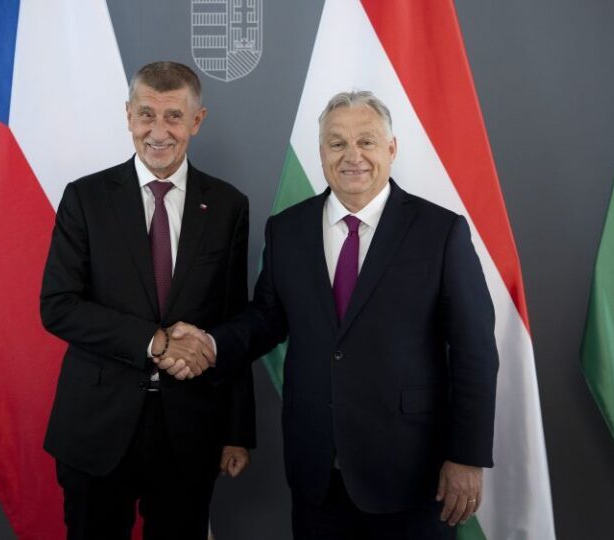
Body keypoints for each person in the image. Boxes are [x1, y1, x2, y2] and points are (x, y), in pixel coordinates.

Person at [161, 90, 498, 539]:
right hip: (316, 471)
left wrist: (467, 456)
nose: (352, 155)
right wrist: (210, 342)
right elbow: (266, 319)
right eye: (337, 143)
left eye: (366, 141)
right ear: (321, 153)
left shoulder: (441, 231)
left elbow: (475, 352)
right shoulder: (287, 230)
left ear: (391, 149)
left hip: (412, 471)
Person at [40, 61, 255, 540]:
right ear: (128, 116)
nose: (158, 131)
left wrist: (237, 430)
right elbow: (58, 305)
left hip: (190, 428)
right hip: (97, 426)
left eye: (174, 116)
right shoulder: (85, 198)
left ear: (196, 120)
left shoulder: (228, 206)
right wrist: (155, 342)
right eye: (146, 115)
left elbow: (234, 319)